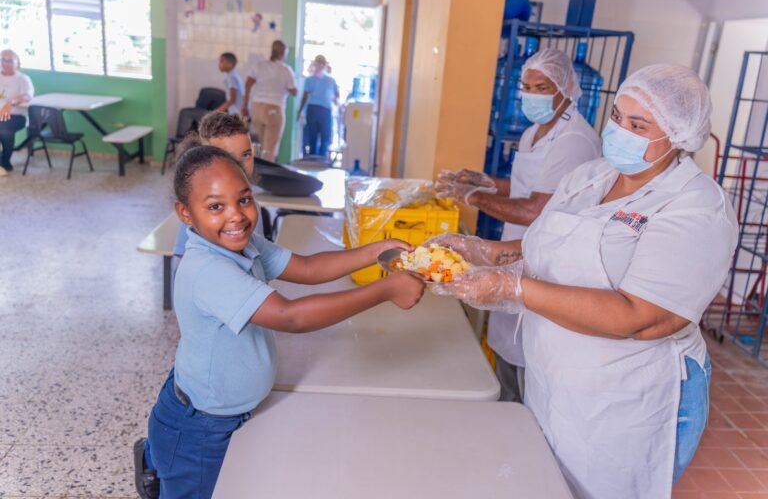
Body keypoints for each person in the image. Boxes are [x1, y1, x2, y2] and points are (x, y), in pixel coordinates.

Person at [429, 64, 738, 498]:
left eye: (638, 124)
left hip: (627, 394)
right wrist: (483, 250)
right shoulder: (590, 176)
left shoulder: (696, 207)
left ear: (679, 135)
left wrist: (510, 288)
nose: (619, 131)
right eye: (617, 116)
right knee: (547, 482)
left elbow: (641, 316)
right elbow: (548, 245)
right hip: (558, 373)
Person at [134, 145, 425, 499]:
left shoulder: (243, 245)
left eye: (243, 200)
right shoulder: (208, 269)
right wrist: (385, 290)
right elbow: (292, 316)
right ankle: (158, 460)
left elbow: (307, 268)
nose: (236, 216)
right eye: (215, 206)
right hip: (201, 426)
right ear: (185, 213)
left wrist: (372, 252)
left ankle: (157, 457)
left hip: (222, 412)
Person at [436, 48, 600, 402]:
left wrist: (475, 199)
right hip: (514, 252)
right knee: (507, 350)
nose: (529, 95)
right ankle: (506, 422)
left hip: (546, 261)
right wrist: (485, 183)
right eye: (525, 86)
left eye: (540, 87)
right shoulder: (535, 132)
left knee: (531, 360)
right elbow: (527, 187)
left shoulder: (572, 140)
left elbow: (534, 210)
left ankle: (526, 431)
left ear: (565, 89)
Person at [171, 111, 263, 257]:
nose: (241, 166)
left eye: (246, 155)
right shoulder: (198, 213)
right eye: (227, 157)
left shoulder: (252, 206)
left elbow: (260, 255)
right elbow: (184, 260)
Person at [242, 40, 297, 162]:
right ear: (283, 53)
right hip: (274, 109)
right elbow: (294, 91)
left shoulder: (259, 65)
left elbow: (248, 83)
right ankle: (265, 178)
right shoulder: (285, 70)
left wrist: (245, 104)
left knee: (262, 145)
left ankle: (257, 175)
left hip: (256, 108)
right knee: (269, 149)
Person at [0, 49, 34, 175]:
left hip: (17, 116)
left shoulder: (23, 79)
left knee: (3, 128)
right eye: (2, 60)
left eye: (9, 60)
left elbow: (27, 96)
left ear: (17, 63)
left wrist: (11, 103)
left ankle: (4, 162)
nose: (5, 63)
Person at [297, 54, 339, 157]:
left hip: (313, 110)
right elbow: (336, 97)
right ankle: (322, 159)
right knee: (325, 138)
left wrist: (300, 111)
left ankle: (312, 159)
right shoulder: (331, 80)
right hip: (325, 111)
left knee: (312, 138)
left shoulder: (310, 79)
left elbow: (305, 96)